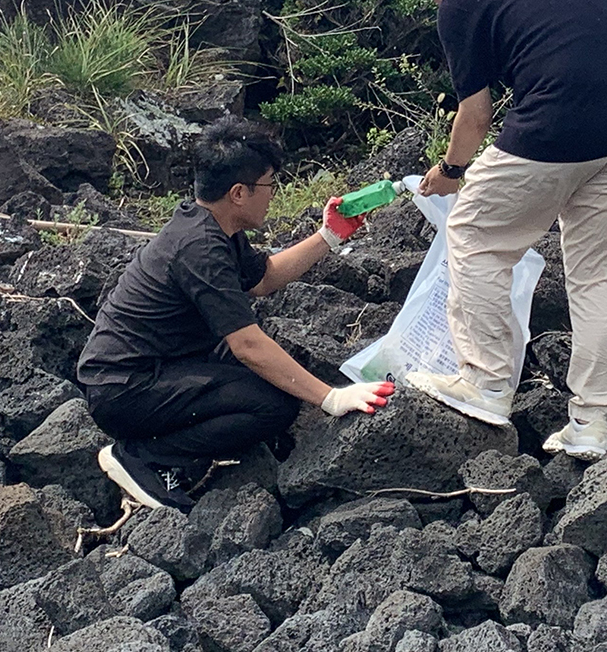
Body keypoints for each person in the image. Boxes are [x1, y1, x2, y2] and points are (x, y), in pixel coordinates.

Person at [397, 0, 607, 460]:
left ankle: (486, 383)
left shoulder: (460, 0)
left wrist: (452, 171)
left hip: (550, 127)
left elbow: (476, 114)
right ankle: (590, 423)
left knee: (476, 235)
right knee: (605, 277)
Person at [77, 116, 395, 510]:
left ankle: (173, 448)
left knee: (279, 378)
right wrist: (330, 398)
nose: (274, 194)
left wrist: (329, 235)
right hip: (126, 388)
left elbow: (263, 279)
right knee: (273, 404)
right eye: (269, 185)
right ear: (239, 193)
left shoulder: (212, 226)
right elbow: (246, 344)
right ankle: (147, 458)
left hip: (164, 362)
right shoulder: (200, 248)